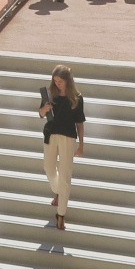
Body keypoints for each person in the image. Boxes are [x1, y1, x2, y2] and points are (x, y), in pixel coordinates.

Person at [37, 63, 86, 231]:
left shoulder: (77, 98)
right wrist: (45, 108)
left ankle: (61, 215)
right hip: (51, 135)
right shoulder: (50, 94)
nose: (57, 83)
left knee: (65, 176)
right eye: (55, 80)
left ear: (67, 81)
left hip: (68, 138)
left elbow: (80, 123)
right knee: (49, 168)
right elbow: (41, 114)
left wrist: (81, 144)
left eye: (60, 81)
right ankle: (58, 190)